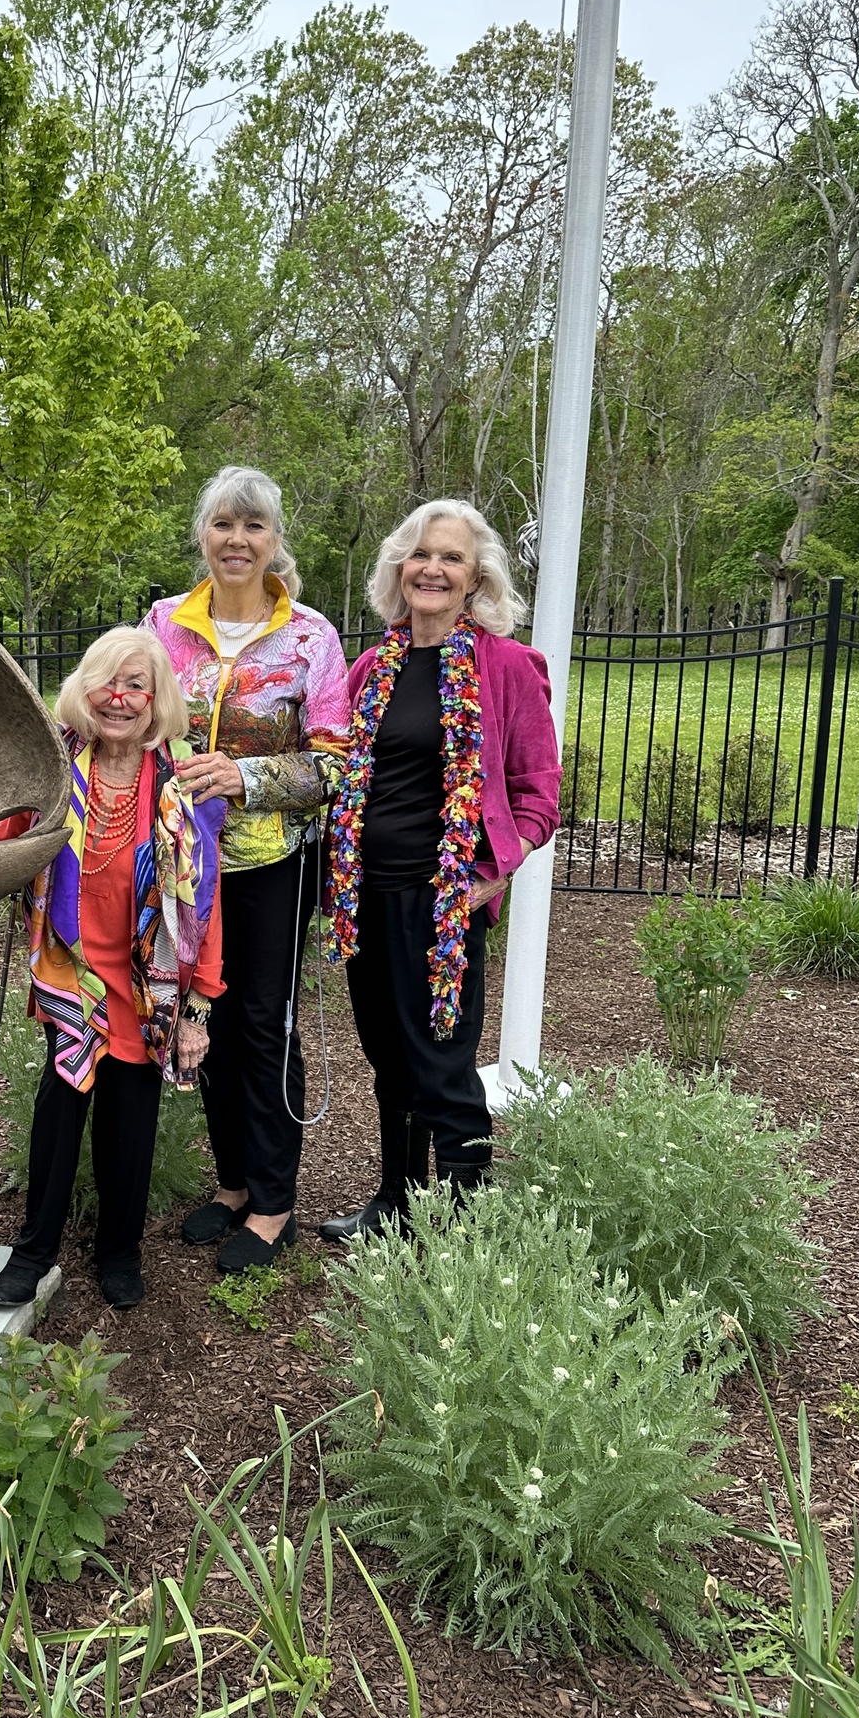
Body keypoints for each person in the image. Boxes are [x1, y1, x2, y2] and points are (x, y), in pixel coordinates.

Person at [0, 626, 225, 1310]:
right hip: (71, 976)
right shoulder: (53, 773)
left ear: (157, 698)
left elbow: (205, 903)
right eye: (107, 682)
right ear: (84, 692)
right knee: (59, 1119)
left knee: (130, 1126)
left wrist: (199, 1007)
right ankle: (34, 1250)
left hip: (149, 989)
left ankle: (119, 1253)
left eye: (137, 684)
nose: (120, 698)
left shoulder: (185, 786)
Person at [318, 499, 561, 1243]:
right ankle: (395, 1203)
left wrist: (493, 872)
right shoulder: (371, 668)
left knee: (443, 1068)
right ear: (400, 567)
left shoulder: (509, 668)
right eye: (421, 554)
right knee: (389, 1059)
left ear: (475, 578)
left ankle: (465, 1227)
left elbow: (539, 793)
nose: (433, 567)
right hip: (367, 894)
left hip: (442, 903)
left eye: (451, 557)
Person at [145, 466, 351, 1274]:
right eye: (224, 525)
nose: (237, 540)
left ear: (274, 541)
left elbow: (339, 761)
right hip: (181, 861)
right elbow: (133, 715)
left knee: (263, 1026)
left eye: (253, 527)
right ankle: (231, 1184)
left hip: (269, 863)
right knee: (207, 1025)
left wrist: (247, 778)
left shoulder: (310, 637)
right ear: (204, 534)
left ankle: (274, 1204)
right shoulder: (163, 623)